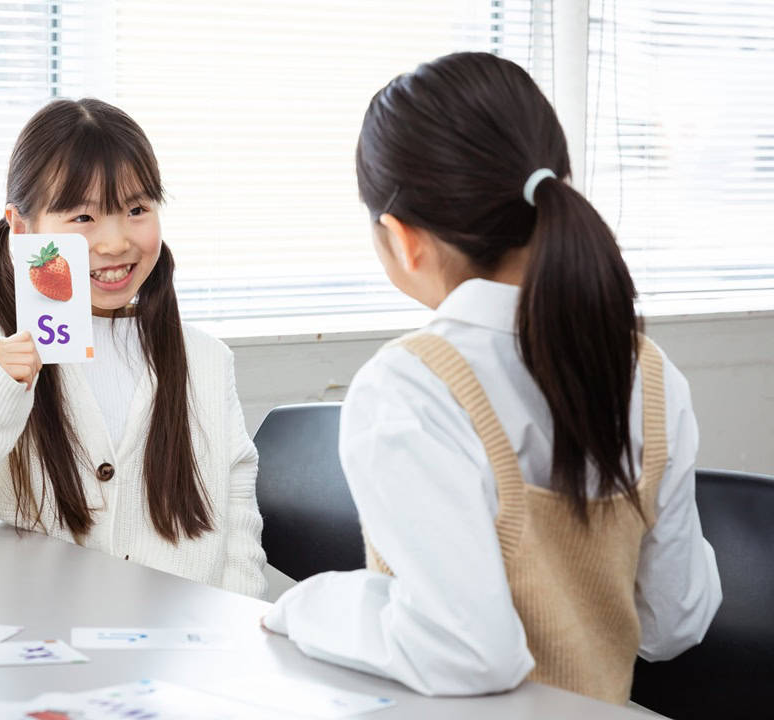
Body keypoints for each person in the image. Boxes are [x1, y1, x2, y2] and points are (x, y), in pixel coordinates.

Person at [262, 52, 721, 702]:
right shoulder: (651, 374)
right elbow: (675, 623)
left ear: (403, 239)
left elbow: (469, 654)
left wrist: (309, 606)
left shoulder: (410, 388)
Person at [0, 98, 266, 599]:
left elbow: (237, 528)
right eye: (82, 216)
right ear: (22, 228)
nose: (115, 241)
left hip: (179, 654)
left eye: (137, 210)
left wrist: (238, 633)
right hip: (39, 645)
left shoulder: (205, 358)